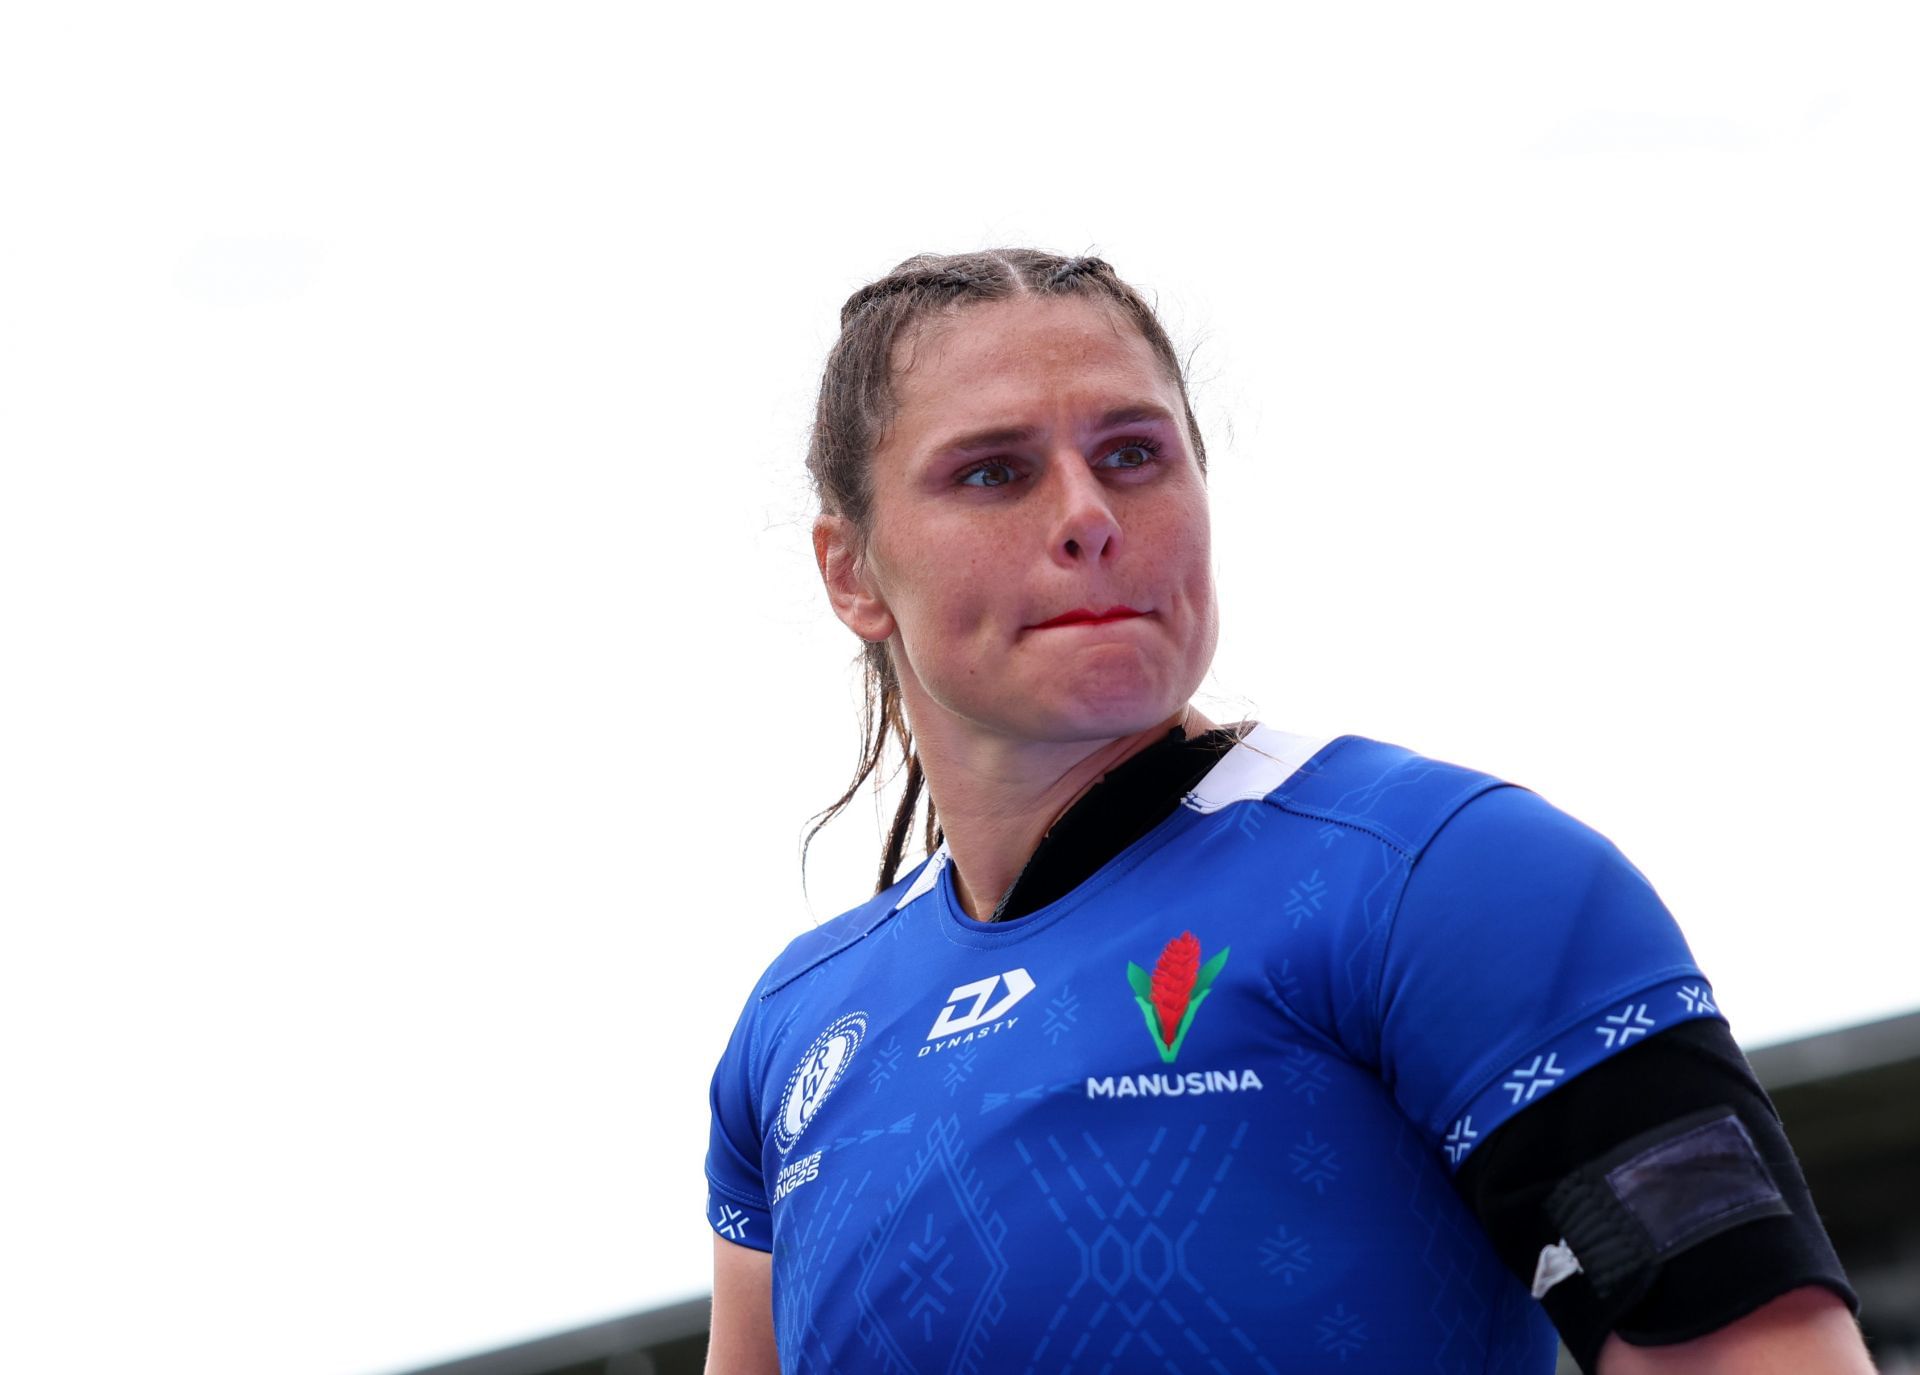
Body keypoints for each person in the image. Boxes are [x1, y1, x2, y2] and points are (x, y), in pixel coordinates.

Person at [703, 249, 1869, 1374]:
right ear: (851, 572)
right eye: (994, 472)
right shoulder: (795, 1027)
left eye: (1132, 454)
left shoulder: (1451, 877)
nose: (1086, 514)